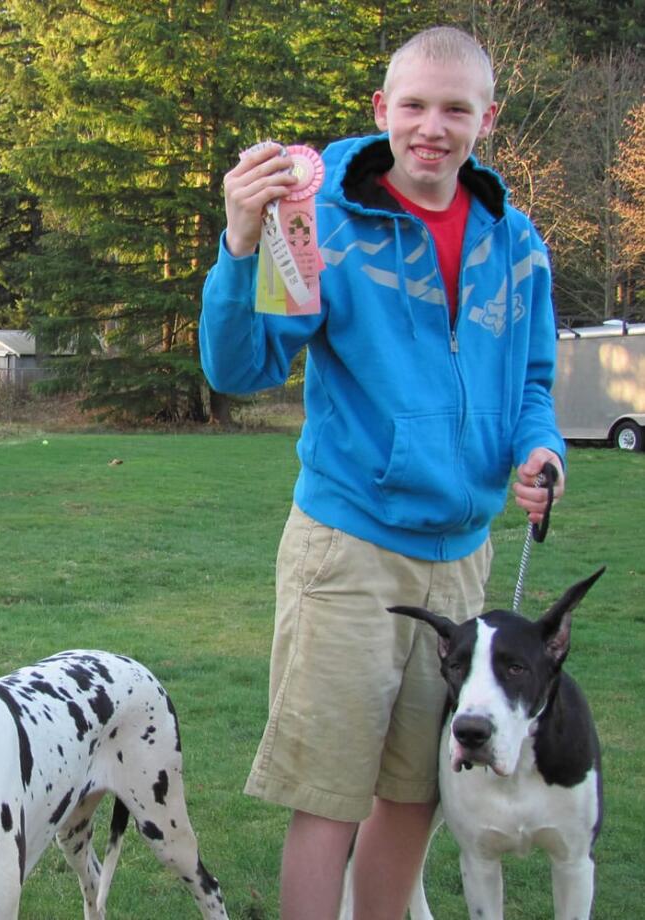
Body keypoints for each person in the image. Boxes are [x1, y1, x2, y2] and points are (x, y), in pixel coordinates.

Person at [199, 27, 566, 920]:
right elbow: (241, 368)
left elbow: (531, 380)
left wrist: (540, 449)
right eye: (413, 105)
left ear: (487, 115)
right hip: (349, 548)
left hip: (464, 562)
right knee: (328, 792)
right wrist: (242, 245)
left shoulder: (516, 243)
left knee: (417, 789)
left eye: (454, 108)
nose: (431, 127)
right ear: (381, 111)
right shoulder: (317, 225)